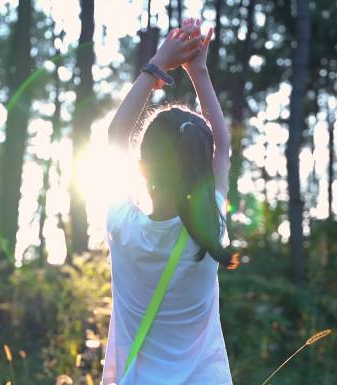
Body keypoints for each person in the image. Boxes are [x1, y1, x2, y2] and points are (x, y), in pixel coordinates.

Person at [102, 18, 240, 385]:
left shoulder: (122, 226)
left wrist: (157, 64)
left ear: (142, 168)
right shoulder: (211, 227)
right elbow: (223, 145)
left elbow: (116, 135)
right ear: (202, 167)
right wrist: (200, 72)